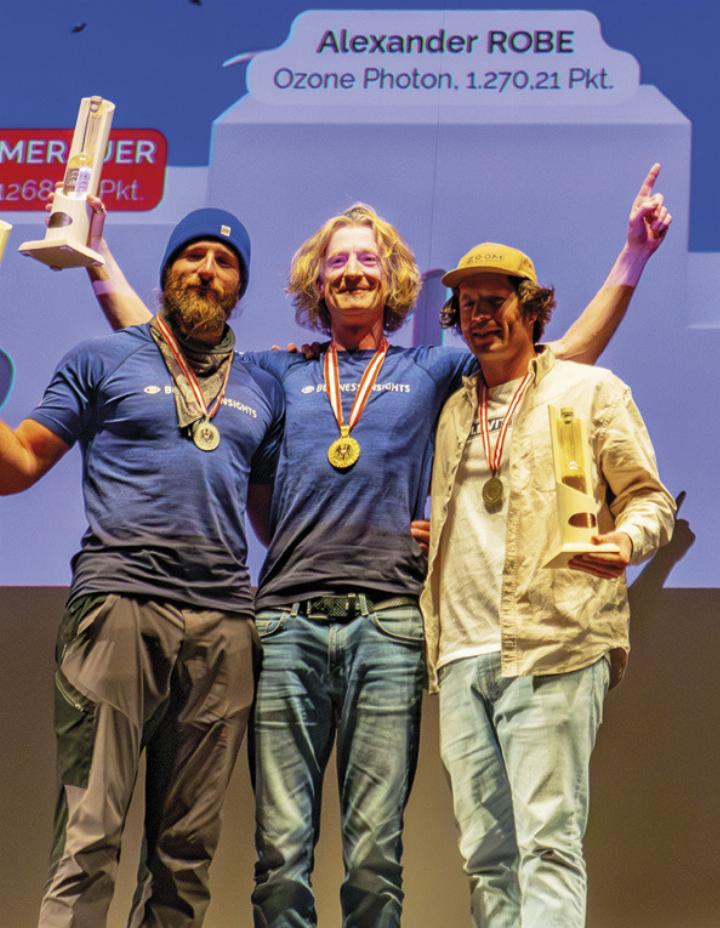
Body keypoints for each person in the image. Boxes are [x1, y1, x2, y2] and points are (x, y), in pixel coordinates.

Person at [77, 164, 670, 927]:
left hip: (392, 627)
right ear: (316, 284)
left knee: (374, 860)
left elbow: (555, 359)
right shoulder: (274, 372)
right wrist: (101, 266)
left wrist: (630, 261)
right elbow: (171, 354)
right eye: (337, 261)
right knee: (281, 857)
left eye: (368, 259)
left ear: (391, 279)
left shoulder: (434, 369)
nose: (353, 270)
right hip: (285, 626)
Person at [1, 208, 284, 927]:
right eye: (191, 257)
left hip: (224, 625)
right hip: (120, 605)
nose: (206, 271)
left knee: (185, 856)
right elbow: (21, 464)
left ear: (239, 286)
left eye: (224, 263)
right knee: (90, 837)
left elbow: (271, 518)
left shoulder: (261, 389)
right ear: (165, 275)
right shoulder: (103, 360)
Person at [419, 242, 676, 927]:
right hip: (460, 653)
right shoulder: (451, 411)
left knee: (548, 844)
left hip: (554, 645)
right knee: (484, 853)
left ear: (530, 309)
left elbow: (650, 501)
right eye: (467, 305)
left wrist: (624, 541)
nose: (480, 317)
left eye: (495, 301)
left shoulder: (589, 390)